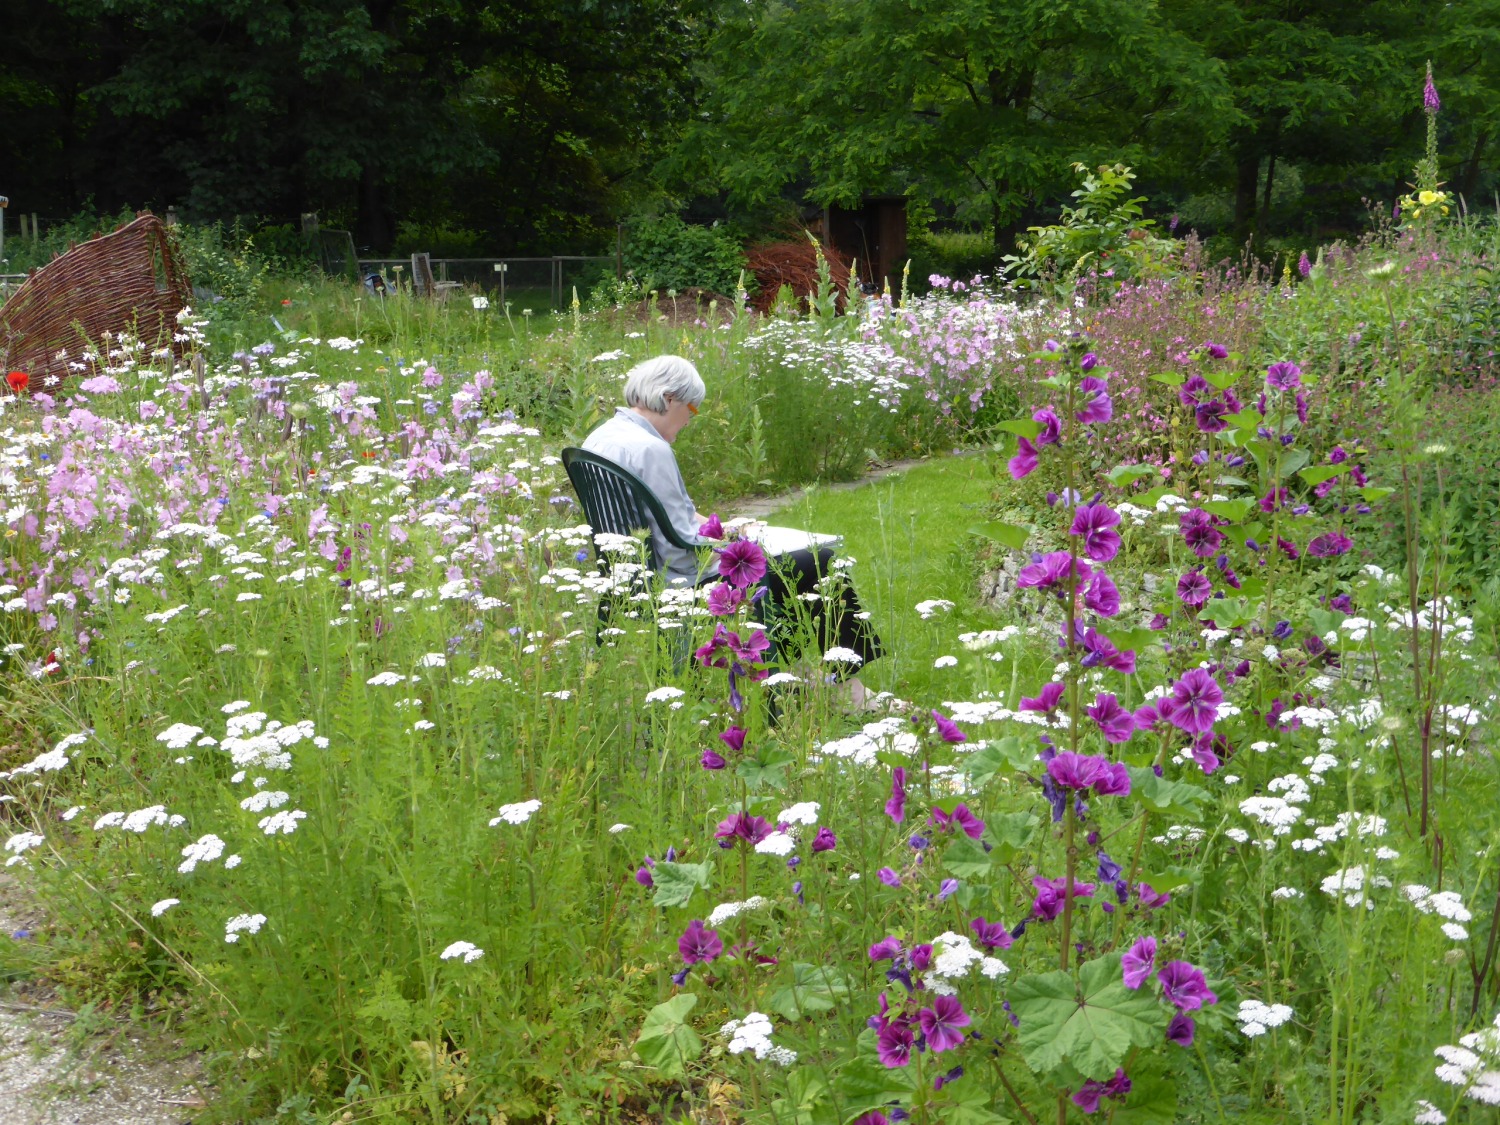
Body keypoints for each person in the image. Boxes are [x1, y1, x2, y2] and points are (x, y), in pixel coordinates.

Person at [580, 355, 884, 698]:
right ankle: (845, 685)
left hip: (629, 573)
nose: (690, 420)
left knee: (791, 563)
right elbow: (683, 547)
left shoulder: (603, 436)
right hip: (676, 577)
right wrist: (740, 547)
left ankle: (803, 674)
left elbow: (666, 514)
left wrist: (725, 528)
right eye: (691, 409)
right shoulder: (651, 450)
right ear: (668, 398)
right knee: (816, 559)